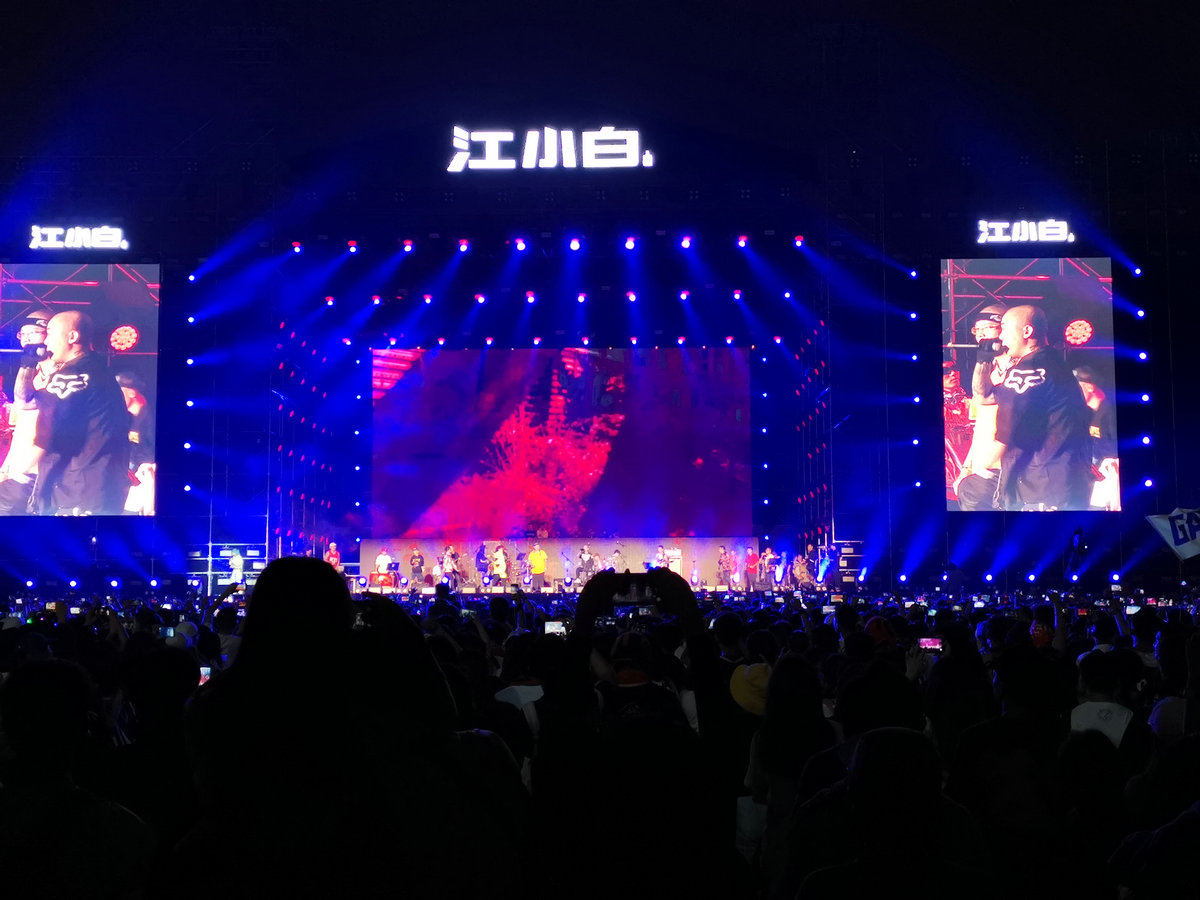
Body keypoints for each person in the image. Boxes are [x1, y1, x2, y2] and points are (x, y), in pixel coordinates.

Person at [25, 310, 131, 515]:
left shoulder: (71, 375)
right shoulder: (98, 368)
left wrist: (13, 471)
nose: (46, 341)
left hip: (74, 491)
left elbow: (46, 433)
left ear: (72, 337)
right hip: (100, 486)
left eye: (50, 333)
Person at [990, 305, 1092, 510]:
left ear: (1027, 331)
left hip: (1038, 486)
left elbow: (1006, 432)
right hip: (1067, 478)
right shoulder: (1056, 362)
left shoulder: (1027, 370)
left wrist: (979, 465)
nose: (1001, 337)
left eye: (1004, 328)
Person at [952, 303, 1008, 510]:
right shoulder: (988, 372)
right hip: (982, 468)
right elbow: (981, 427)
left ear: (1005, 329)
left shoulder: (1021, 372)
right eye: (977, 329)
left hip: (1006, 471)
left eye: (988, 327)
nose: (981, 334)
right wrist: (967, 468)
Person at [0, 308, 51, 514]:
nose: (26, 338)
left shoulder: (62, 378)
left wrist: (21, 470)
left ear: (50, 335)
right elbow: (23, 427)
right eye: (23, 334)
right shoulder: (34, 373)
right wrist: (7, 468)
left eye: (33, 332)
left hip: (34, 474)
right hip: (17, 470)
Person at [1073, 363, 1121, 510]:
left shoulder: (1110, 412)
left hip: (1109, 474)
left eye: (1077, 387)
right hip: (1094, 476)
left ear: (1089, 387)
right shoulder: (1086, 414)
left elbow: (1116, 446)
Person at [116, 371, 155, 515]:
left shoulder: (151, 418)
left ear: (131, 392)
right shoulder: (127, 418)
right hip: (130, 476)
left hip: (146, 476)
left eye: (119, 393)